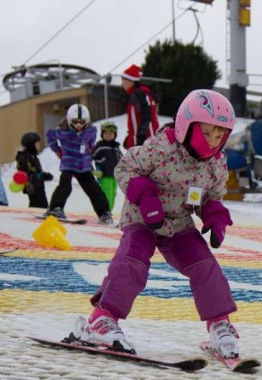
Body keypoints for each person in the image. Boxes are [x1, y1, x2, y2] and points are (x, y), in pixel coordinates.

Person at [71, 89, 240, 359]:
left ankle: (219, 324)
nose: (212, 142)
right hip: (142, 217)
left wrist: (214, 214)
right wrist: (146, 195)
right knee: (133, 261)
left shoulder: (216, 164)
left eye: (220, 136)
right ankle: (101, 319)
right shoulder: (161, 147)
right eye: (206, 133)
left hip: (178, 223)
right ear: (186, 126)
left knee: (204, 265)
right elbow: (125, 167)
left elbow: (212, 195)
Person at [45, 104, 114, 224]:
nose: (78, 125)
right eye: (75, 122)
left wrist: (90, 149)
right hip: (68, 163)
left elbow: (91, 143)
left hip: (84, 165)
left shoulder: (91, 130)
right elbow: (49, 135)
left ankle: (104, 213)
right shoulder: (61, 131)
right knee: (65, 186)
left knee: (93, 189)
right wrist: (57, 150)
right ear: (69, 120)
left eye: (82, 122)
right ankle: (55, 209)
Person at [120, 64, 160, 149]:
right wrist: (129, 137)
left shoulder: (138, 93)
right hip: (145, 141)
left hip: (144, 143)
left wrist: (141, 137)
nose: (121, 84)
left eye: (123, 80)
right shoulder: (140, 93)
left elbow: (146, 115)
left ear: (130, 81)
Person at [15, 132, 53, 208]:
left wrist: (43, 175)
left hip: (38, 185)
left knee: (43, 203)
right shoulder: (25, 157)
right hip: (32, 186)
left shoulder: (33, 156)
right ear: (31, 144)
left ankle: (45, 214)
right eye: (37, 143)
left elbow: (36, 171)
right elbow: (27, 174)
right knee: (36, 203)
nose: (39, 145)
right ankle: (33, 214)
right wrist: (40, 175)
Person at [92, 122, 123, 211]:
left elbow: (122, 161)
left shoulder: (117, 148)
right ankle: (104, 212)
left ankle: (109, 212)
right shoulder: (100, 146)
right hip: (104, 176)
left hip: (114, 177)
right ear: (102, 134)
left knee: (113, 195)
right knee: (107, 195)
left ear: (115, 134)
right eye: (106, 133)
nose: (108, 135)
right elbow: (89, 158)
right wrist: (94, 171)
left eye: (111, 133)